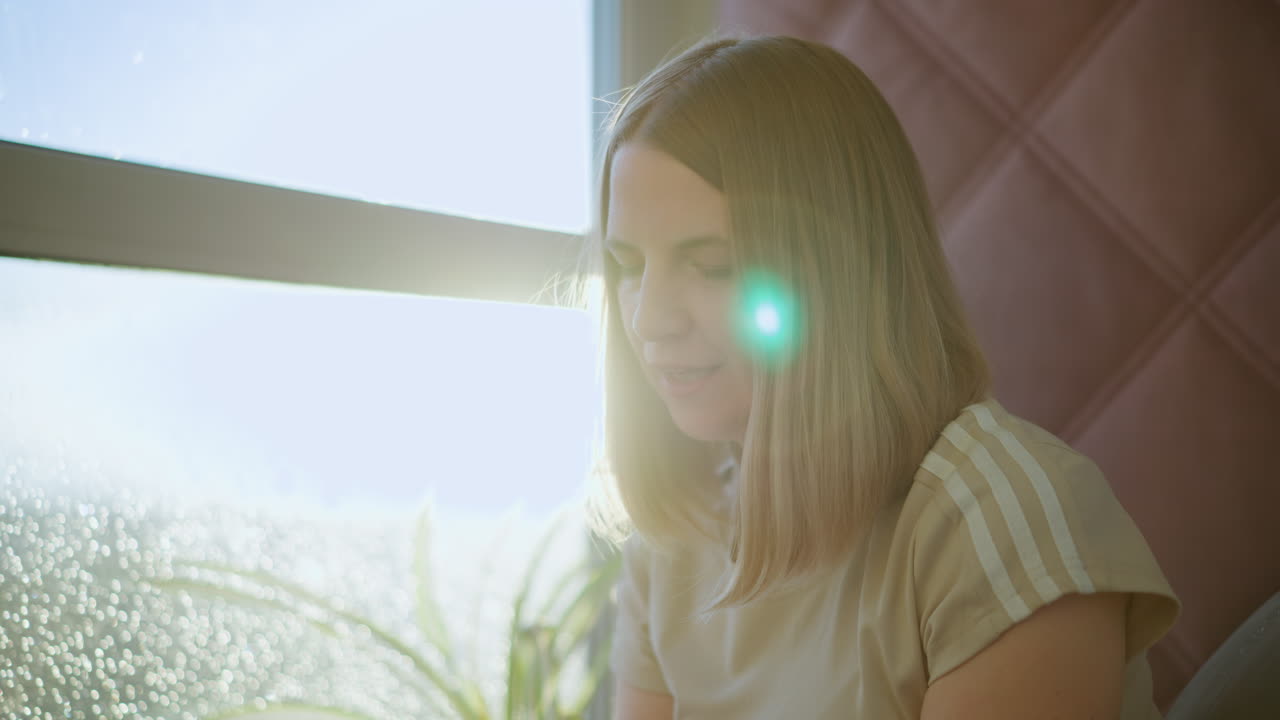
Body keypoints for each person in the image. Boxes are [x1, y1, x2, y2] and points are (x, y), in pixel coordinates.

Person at [586, 34, 1180, 719]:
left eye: (714, 263)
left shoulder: (1003, 525)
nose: (650, 320)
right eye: (630, 266)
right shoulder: (671, 545)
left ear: (838, 274)